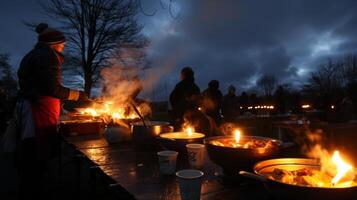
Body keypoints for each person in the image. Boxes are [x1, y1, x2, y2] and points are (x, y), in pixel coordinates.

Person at [16, 23, 88, 199]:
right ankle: (35, 190)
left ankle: (32, 187)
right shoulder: (48, 57)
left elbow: (39, 85)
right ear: (54, 44)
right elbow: (52, 89)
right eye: (62, 45)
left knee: (31, 151)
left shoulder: (31, 55)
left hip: (30, 106)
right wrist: (79, 95)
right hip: (37, 110)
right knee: (36, 152)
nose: (63, 48)